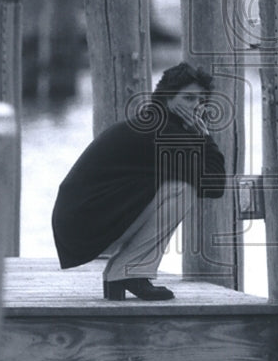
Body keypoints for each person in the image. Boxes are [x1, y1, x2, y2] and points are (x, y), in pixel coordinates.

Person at [51, 62, 226, 300]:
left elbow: (212, 183)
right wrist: (206, 137)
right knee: (182, 190)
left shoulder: (155, 123)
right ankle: (128, 272)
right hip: (83, 225)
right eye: (188, 98)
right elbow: (214, 185)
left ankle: (123, 274)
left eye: (201, 101)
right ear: (167, 98)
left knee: (178, 186)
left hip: (78, 223)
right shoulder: (165, 133)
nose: (196, 106)